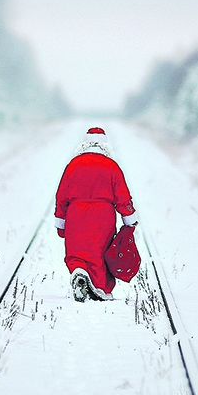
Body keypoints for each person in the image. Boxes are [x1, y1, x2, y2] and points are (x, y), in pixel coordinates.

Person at [54, 127, 138, 301]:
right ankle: (100, 288)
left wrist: (61, 221)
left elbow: (61, 196)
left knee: (77, 252)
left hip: (75, 215)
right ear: (105, 146)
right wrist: (129, 218)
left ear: (84, 144)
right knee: (98, 253)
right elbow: (123, 196)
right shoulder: (112, 166)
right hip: (102, 217)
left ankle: (79, 271)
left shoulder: (73, 165)